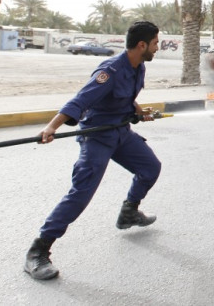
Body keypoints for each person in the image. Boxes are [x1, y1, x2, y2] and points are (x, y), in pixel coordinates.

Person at [24, 21, 162, 280]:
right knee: (81, 193)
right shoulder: (109, 70)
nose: (157, 47)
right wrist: (51, 127)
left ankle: (129, 212)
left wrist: (136, 109)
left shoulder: (138, 66)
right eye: (155, 43)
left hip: (121, 133)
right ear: (142, 45)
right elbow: (81, 100)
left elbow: (123, 96)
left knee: (150, 168)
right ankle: (38, 251)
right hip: (97, 136)